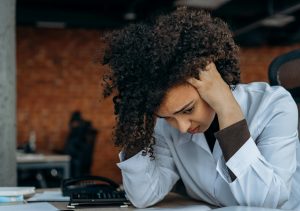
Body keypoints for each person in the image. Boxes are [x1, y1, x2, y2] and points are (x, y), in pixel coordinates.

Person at [102, 6, 300, 209]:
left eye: (188, 109)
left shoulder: (273, 105)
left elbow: (267, 203)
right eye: (166, 117)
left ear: (213, 80)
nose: (180, 127)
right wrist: (136, 129)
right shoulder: (167, 125)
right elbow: (143, 195)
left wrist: (227, 108)